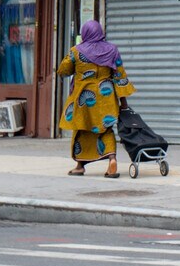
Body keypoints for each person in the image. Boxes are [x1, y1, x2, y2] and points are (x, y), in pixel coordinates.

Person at [56, 20, 132, 177]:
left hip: (83, 98)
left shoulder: (76, 51)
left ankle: (79, 166)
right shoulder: (112, 50)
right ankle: (112, 159)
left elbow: (63, 70)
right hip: (106, 97)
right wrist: (123, 103)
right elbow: (120, 76)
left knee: (81, 128)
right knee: (106, 128)